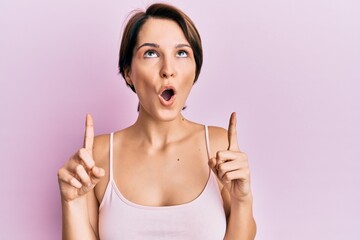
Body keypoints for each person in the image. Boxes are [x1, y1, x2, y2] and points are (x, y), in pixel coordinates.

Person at [57, 3, 256, 239]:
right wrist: (71, 202)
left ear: (195, 69)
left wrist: (242, 199)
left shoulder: (219, 145)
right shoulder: (98, 155)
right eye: (151, 53)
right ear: (128, 71)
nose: (168, 70)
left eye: (182, 53)